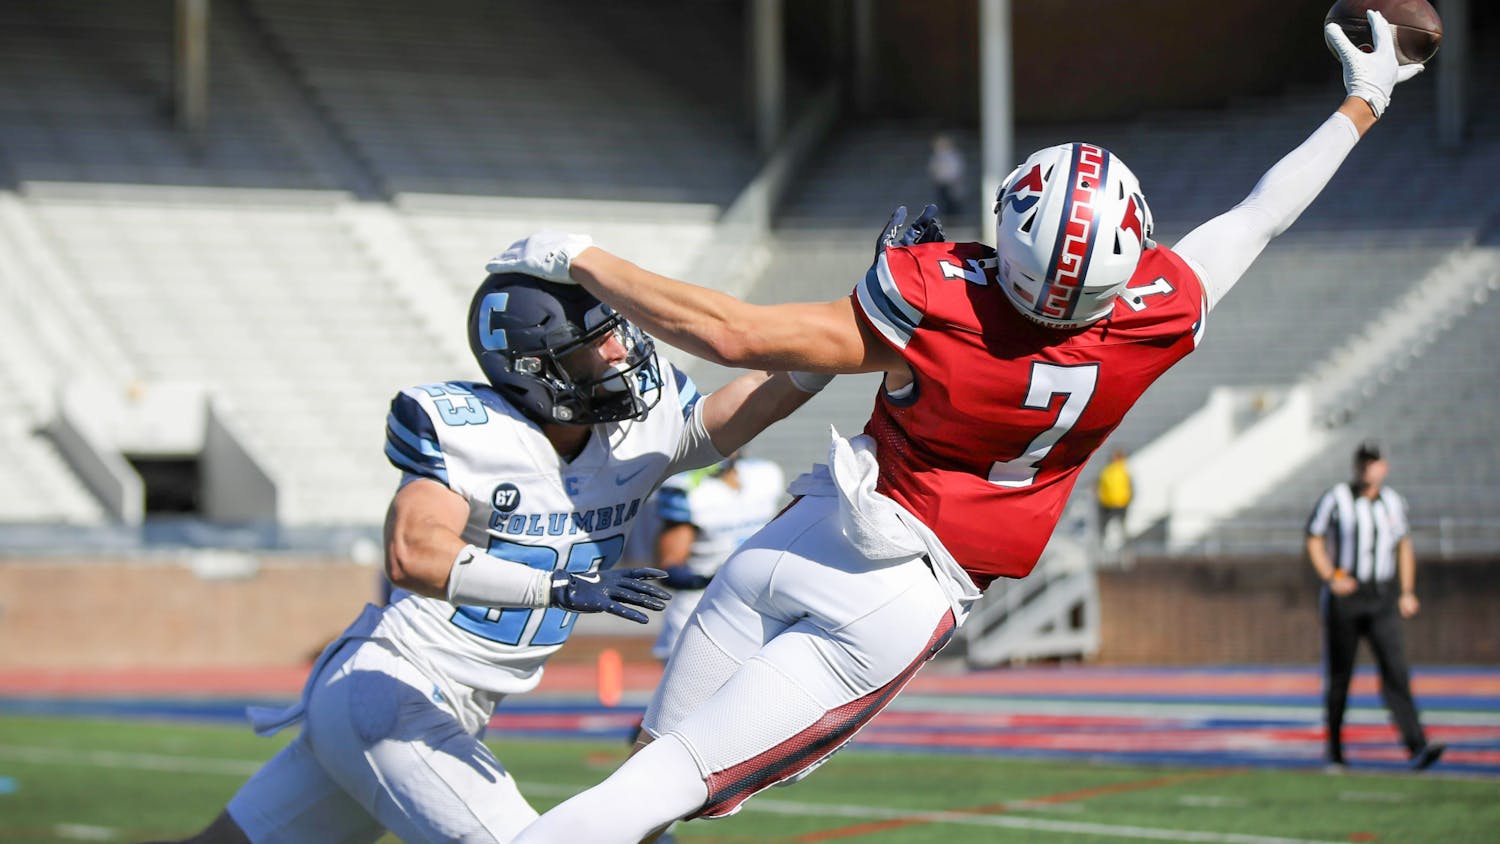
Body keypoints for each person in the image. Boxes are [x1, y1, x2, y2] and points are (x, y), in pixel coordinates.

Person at [499, 13, 1423, 840]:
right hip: (904, 596)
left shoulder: (933, 298)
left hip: (808, 534)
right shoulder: (1153, 310)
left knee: (646, 776)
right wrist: (1365, 100)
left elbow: (733, 333)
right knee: (667, 784)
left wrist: (577, 254)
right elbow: (1260, 215)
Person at [155, 268, 827, 843]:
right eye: (596, 346)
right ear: (539, 368)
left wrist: (866, 319)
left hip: (446, 705)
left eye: (615, 333)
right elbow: (414, 552)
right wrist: (557, 587)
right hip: (391, 691)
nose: (623, 353)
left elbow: (758, 399)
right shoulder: (473, 432)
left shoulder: (635, 434)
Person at [1306, 441, 1444, 772]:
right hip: (1346, 596)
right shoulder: (1336, 498)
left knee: (1396, 671)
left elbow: (1403, 546)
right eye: (1363, 463)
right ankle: (1335, 752)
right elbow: (1314, 537)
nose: (1367, 469)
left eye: (1373, 463)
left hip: (1381, 596)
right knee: (1340, 676)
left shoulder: (1393, 503)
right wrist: (1331, 575)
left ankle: (1416, 746)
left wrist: (1407, 590)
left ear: (1384, 467)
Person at [651, 454, 786, 661]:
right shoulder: (689, 488)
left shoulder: (764, 474)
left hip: (756, 608)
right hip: (703, 608)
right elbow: (670, 567)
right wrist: (718, 576)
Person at [1095, 448, 1134, 554]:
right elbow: (1101, 486)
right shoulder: (1107, 471)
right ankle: (1104, 552)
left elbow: (1130, 487)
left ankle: (1125, 552)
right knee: (1106, 530)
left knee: (1122, 530)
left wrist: (1127, 499)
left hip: (1121, 504)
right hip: (1107, 504)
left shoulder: (1125, 470)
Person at [928, 133, 965, 216]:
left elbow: (957, 169)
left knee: (952, 203)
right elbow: (933, 169)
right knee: (942, 202)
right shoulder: (937, 156)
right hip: (940, 182)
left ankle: (954, 219)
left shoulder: (953, 155)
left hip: (951, 182)